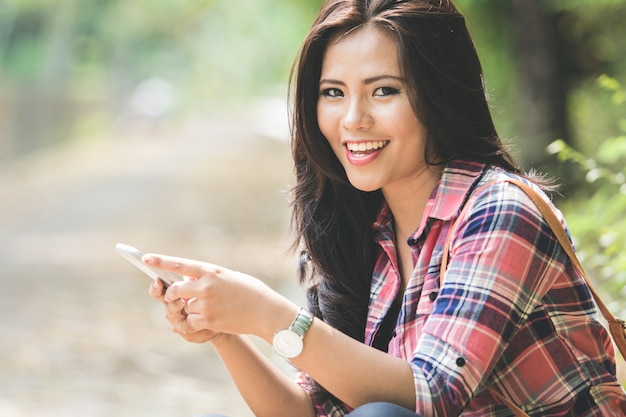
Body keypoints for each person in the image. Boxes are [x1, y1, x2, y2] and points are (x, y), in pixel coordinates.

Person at [144, 0, 626, 416]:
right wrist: (227, 329)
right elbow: (310, 411)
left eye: (384, 91)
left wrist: (271, 315)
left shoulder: (499, 210)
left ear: (437, 94)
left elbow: (431, 397)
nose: (353, 119)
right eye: (333, 93)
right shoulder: (371, 233)